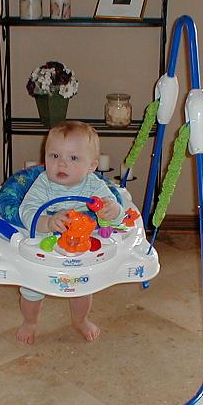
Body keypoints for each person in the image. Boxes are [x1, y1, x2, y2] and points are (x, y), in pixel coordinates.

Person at [17, 121, 125, 344]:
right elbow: (26, 212)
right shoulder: (43, 183)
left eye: (73, 158)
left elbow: (115, 217)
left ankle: (80, 320)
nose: (62, 163)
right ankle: (30, 322)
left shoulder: (94, 186)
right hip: (45, 244)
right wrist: (48, 222)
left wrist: (112, 210)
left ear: (92, 166)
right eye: (54, 156)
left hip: (80, 245)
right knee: (31, 288)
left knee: (83, 287)